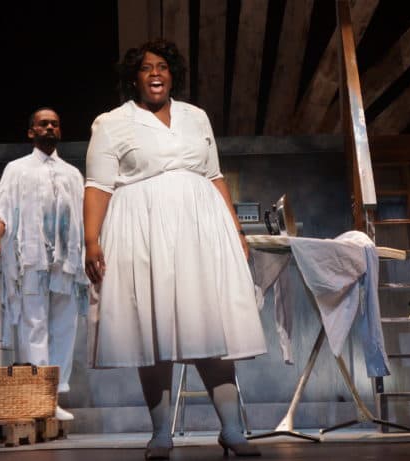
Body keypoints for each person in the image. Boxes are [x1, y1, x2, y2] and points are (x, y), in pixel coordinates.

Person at [83, 39, 265, 459]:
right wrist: (92, 240)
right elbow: (98, 185)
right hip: (142, 232)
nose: (155, 73)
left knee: (210, 328)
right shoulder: (112, 123)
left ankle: (232, 429)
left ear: (172, 75)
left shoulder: (195, 116)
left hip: (202, 232)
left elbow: (215, 175)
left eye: (162, 66)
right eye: (146, 68)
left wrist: (236, 231)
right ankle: (161, 432)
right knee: (154, 331)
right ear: (134, 78)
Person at [0, 108, 87, 421]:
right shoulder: (17, 169)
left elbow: (83, 217)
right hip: (32, 259)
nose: (50, 128)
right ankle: (40, 398)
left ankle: (52, 396)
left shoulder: (72, 173)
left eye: (55, 123)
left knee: (65, 327)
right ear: (31, 132)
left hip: (65, 263)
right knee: (34, 325)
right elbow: (1, 207)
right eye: (43, 124)